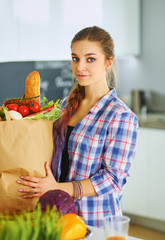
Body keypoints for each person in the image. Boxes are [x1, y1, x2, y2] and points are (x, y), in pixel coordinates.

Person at [17, 26, 138, 228]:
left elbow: (113, 179)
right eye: (75, 58)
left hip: (94, 221)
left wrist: (58, 188)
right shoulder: (65, 105)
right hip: (54, 214)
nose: (80, 67)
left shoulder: (120, 115)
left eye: (90, 59)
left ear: (108, 62)